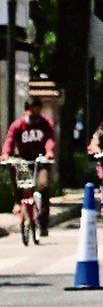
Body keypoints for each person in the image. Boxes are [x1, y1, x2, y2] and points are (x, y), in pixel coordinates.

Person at [2, 97, 57, 236]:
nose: (35, 113)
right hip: (24, 159)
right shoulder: (18, 125)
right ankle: (18, 201)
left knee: (43, 186)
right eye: (32, 111)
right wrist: (5, 154)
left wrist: (49, 151)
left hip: (41, 159)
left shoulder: (45, 123)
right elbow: (10, 140)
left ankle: (43, 223)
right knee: (14, 171)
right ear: (26, 110)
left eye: (38, 111)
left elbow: (50, 139)